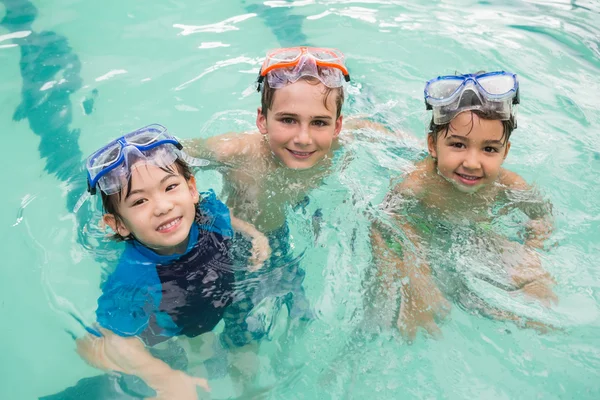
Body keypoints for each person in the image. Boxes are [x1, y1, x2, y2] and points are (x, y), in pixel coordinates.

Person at [64, 124, 270, 400]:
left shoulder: (208, 211)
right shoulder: (134, 277)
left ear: (192, 189)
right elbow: (109, 342)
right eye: (139, 202)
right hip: (167, 332)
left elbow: (225, 215)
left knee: (246, 356)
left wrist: (254, 234)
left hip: (219, 299)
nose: (162, 206)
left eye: (171, 187)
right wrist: (165, 378)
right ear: (118, 225)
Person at [183, 47, 351, 353]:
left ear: (337, 126)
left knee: (301, 320)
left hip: (281, 239)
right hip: (234, 250)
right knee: (243, 340)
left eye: (319, 123)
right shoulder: (236, 153)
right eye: (288, 120)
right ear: (262, 120)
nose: (303, 138)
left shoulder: (341, 143)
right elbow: (172, 159)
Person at [370, 71, 558, 341]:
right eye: (458, 145)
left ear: (505, 152)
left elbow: (541, 216)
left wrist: (533, 256)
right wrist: (416, 275)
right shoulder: (417, 184)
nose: (472, 162)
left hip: (474, 231)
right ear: (433, 145)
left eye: (489, 149)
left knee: (541, 297)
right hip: (424, 228)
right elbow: (384, 223)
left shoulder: (511, 186)